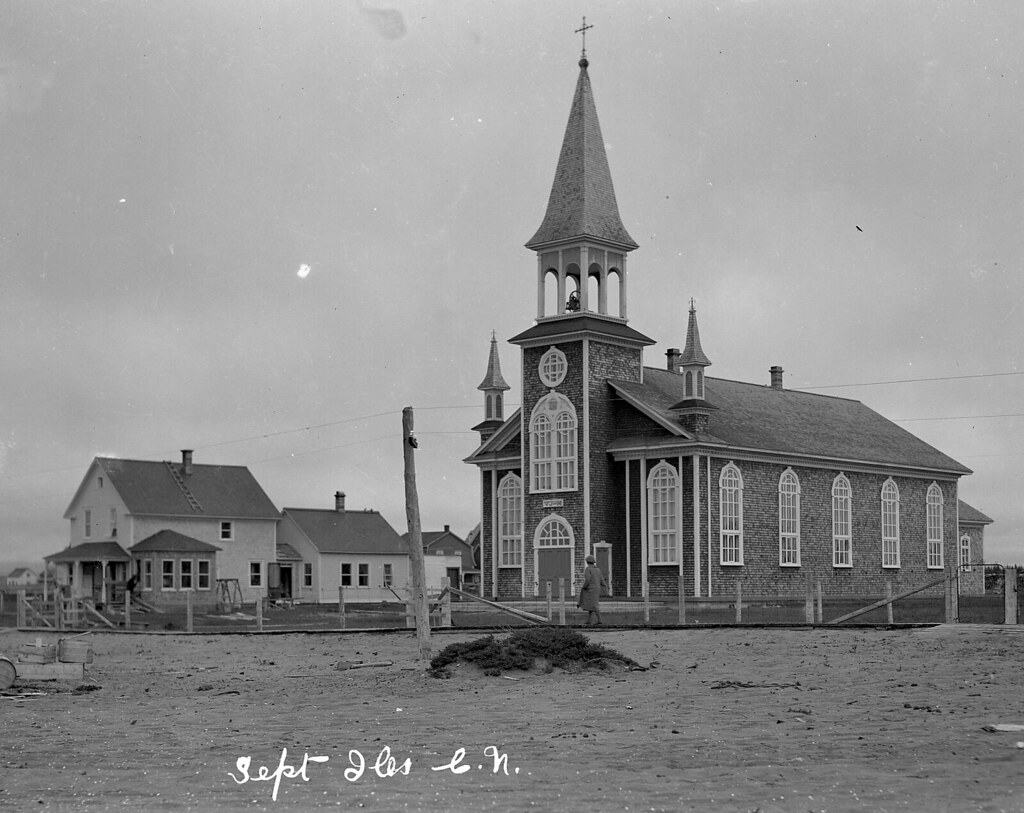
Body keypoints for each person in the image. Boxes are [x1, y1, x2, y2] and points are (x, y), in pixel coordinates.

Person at [577, 554, 608, 626]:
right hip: (597, 589)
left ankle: (600, 620)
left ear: (587, 562)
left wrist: (584, 587)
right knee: (591, 604)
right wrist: (605, 589)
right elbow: (602, 580)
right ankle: (589, 620)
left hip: (590, 589)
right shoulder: (598, 569)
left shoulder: (588, 569)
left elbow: (588, 579)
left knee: (594, 605)